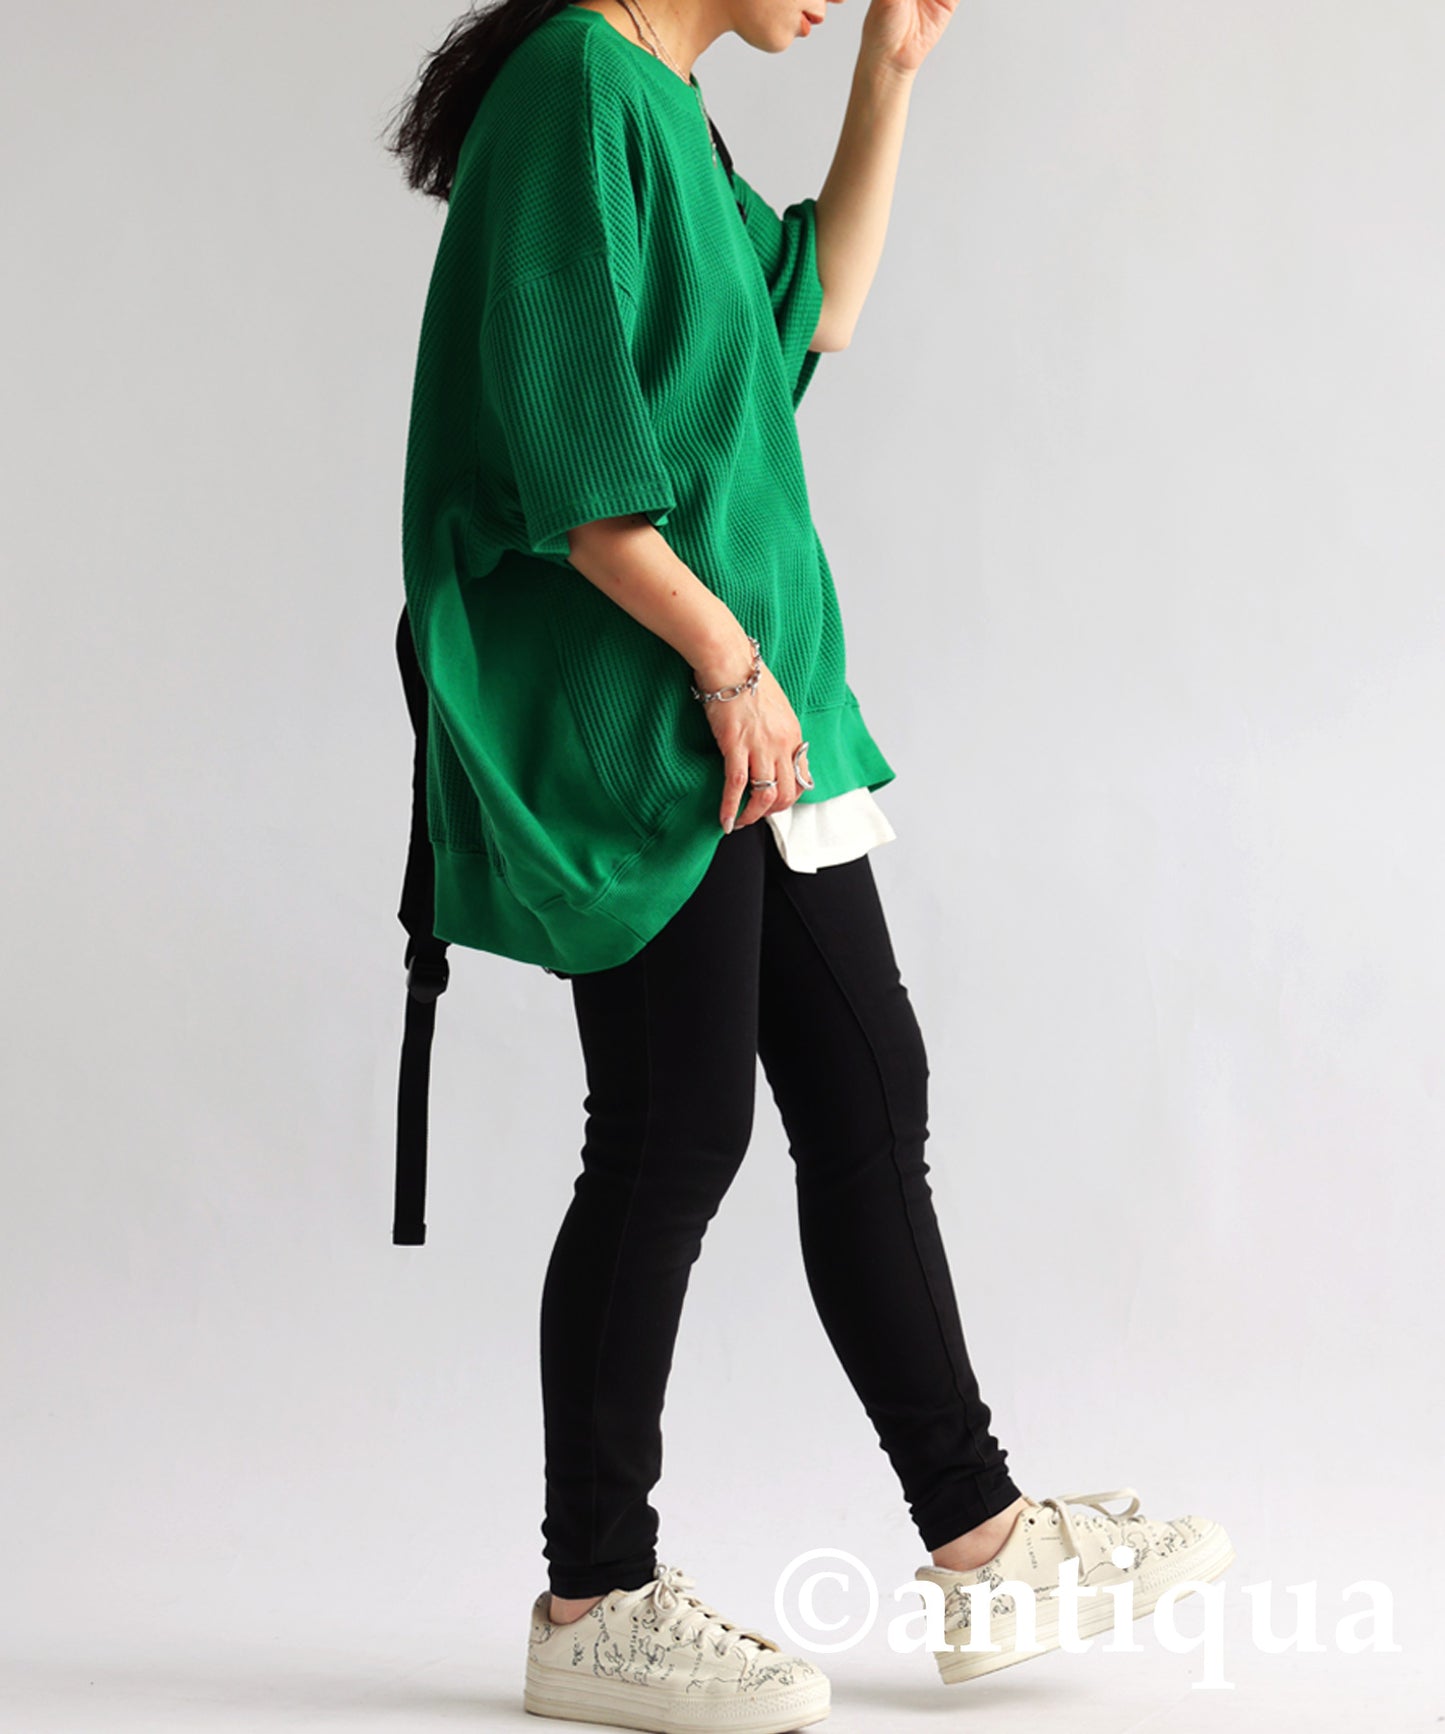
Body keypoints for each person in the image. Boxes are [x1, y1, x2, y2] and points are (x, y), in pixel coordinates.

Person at [386, 1, 1233, 1727]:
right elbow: (568, 457)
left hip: (755, 718)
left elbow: (814, 306)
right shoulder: (575, 88)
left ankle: (983, 1541)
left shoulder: (663, 111)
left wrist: (886, 75)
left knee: (863, 1089)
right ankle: (592, 1596)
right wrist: (722, 659)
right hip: (666, 718)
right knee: (669, 1133)